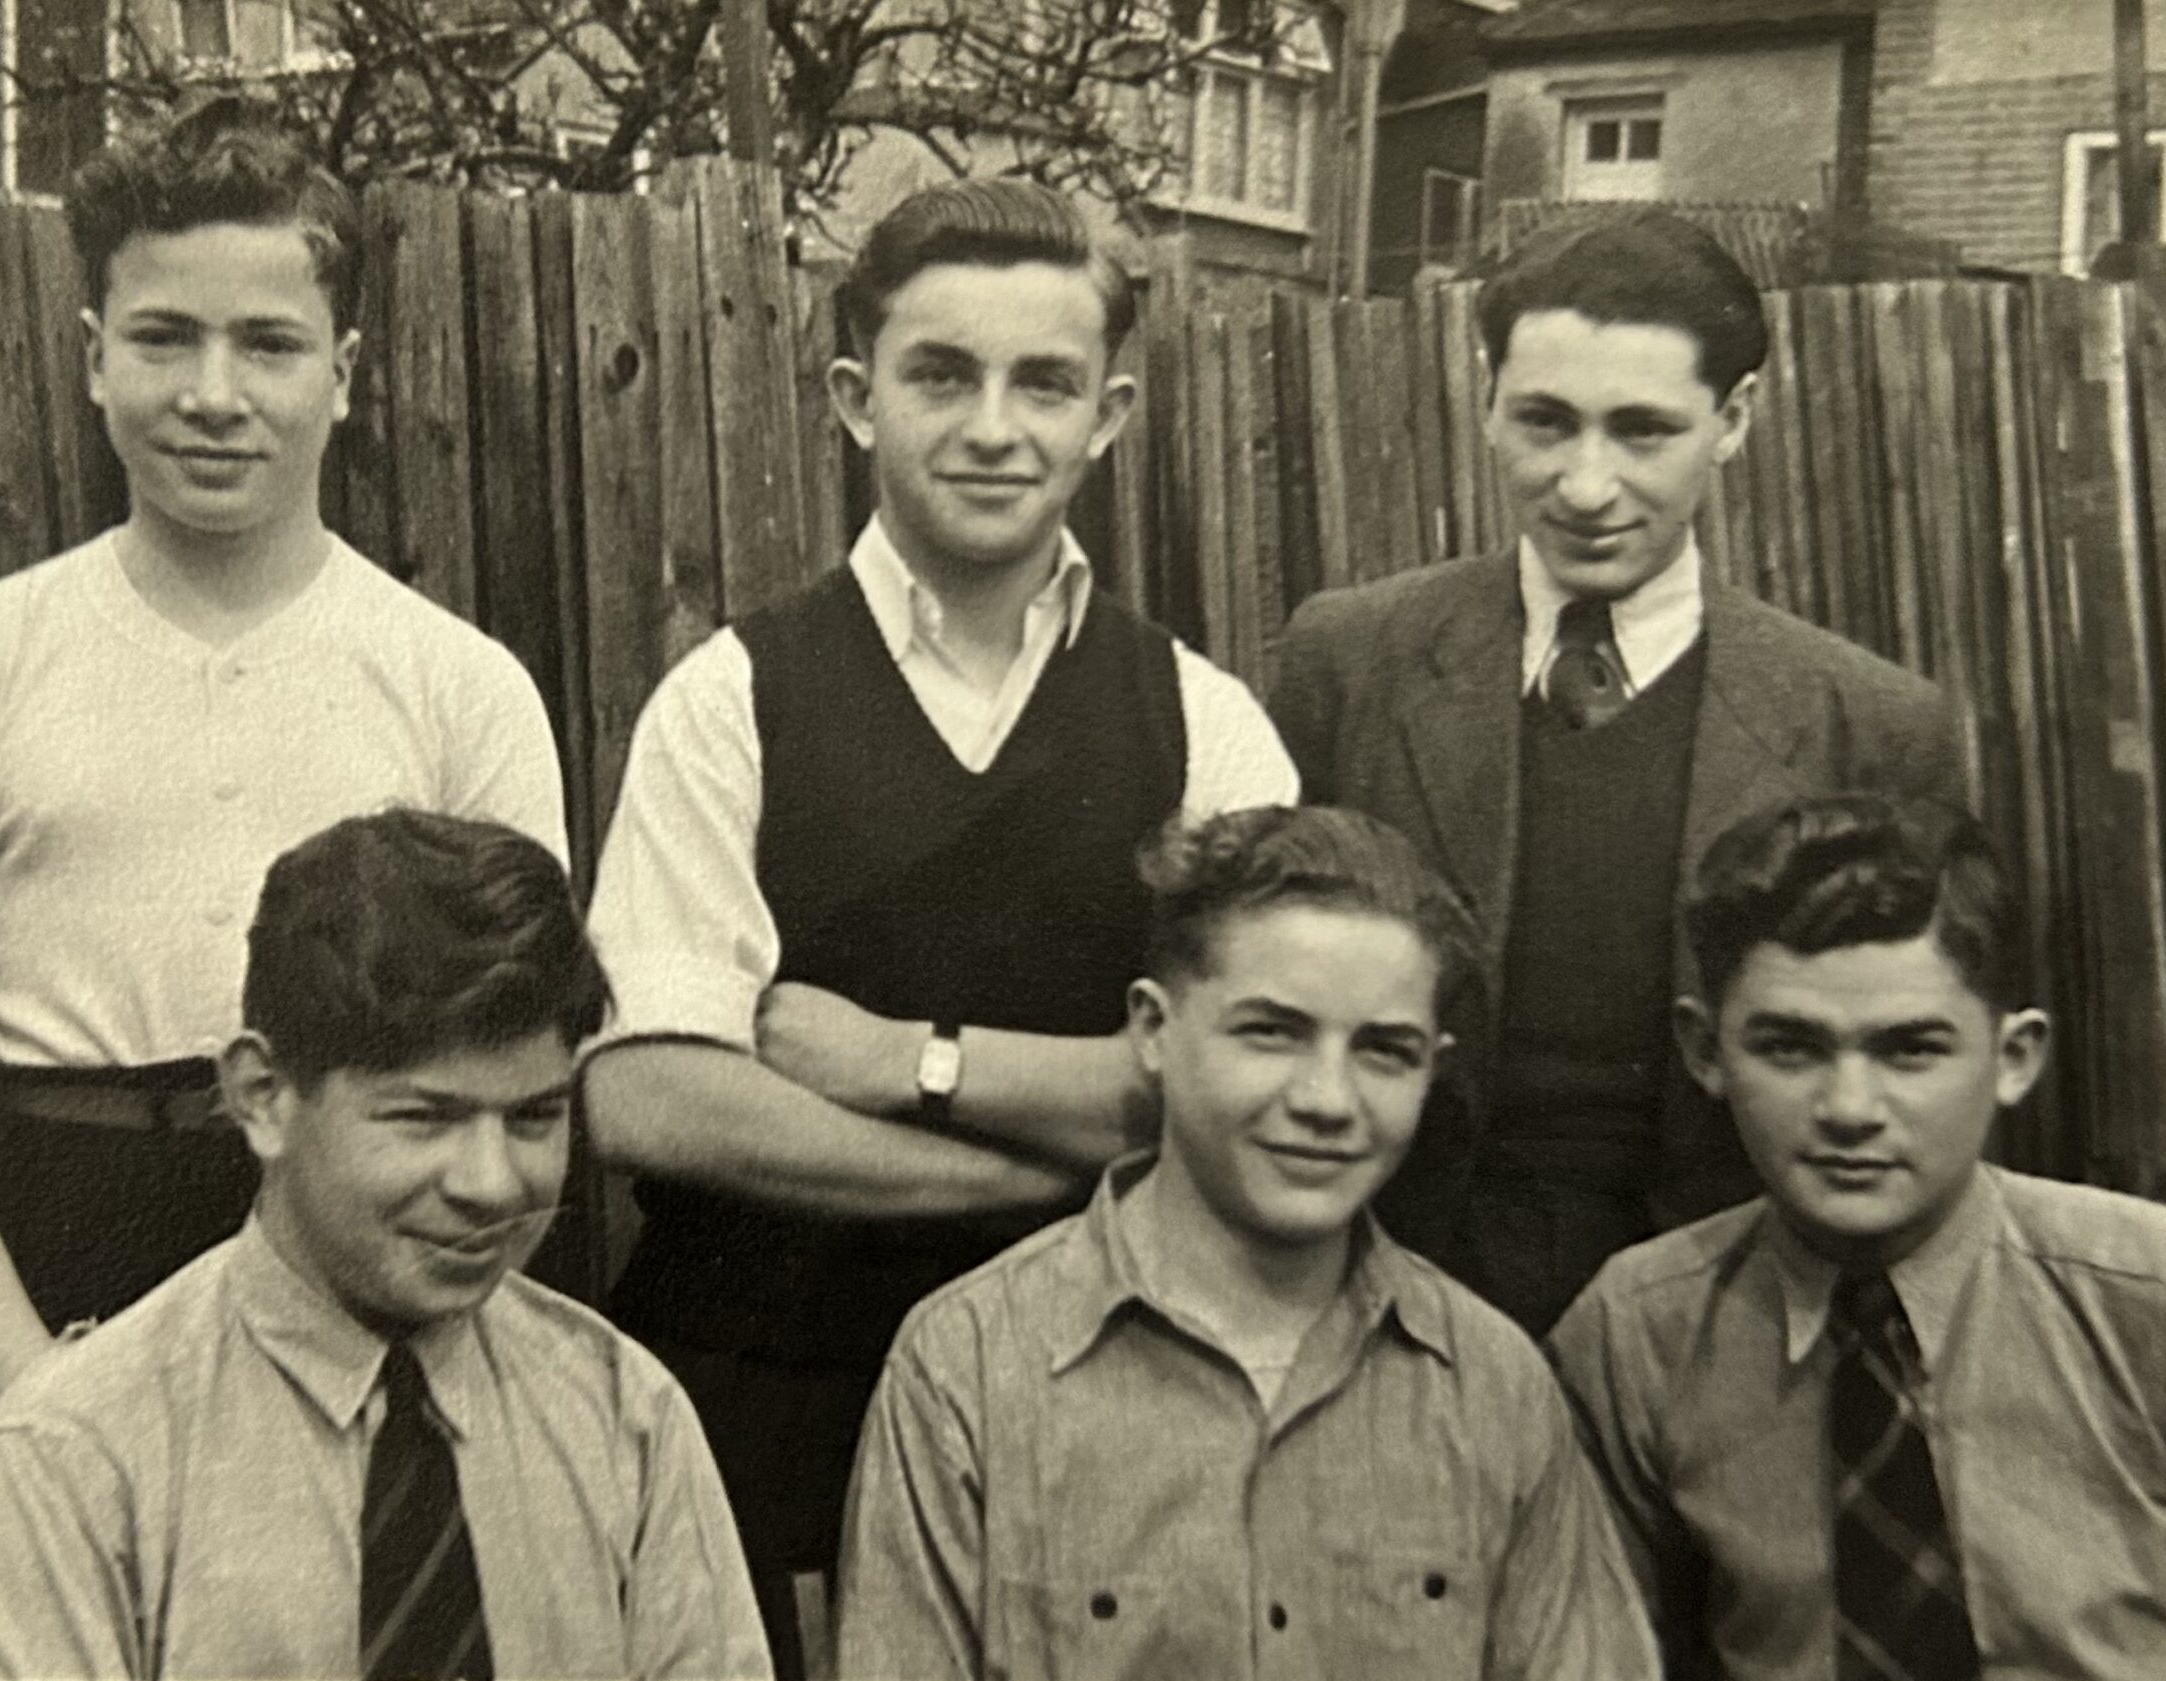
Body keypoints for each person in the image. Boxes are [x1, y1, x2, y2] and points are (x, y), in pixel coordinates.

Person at [579, 176, 1298, 1670]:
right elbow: (651, 1095)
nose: (992, 426)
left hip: (1099, 1397)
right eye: (941, 375)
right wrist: (1042, 1178)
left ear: (1106, 415)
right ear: (857, 398)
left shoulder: (1202, 720)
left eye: (1043, 383)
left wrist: (906, 1060)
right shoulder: (731, 699)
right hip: (753, 1394)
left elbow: (1259, 1085)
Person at [0, 100, 568, 1415]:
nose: (212, 396)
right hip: (53, 1255)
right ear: (95, 357)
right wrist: (37, 1400)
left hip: (366, 1250)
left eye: (268, 344)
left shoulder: (460, 685)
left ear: (341, 372)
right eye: (164, 337)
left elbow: (511, 1094)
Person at [1271, 210, 1965, 1336]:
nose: (1586, 487)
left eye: (1643, 432)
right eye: (1545, 422)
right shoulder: (1350, 659)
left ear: (1733, 420)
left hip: (1731, 1315)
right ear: (1487, 401)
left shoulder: (1869, 724)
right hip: (1381, 1290)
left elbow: (1910, 1078)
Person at [0, 810, 767, 1681]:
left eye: (534, 1117)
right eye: (424, 1117)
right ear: (263, 1095)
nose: (492, 1182)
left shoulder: (627, 1419)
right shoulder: (70, 1464)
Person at [834, 805, 1657, 1680]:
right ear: (1153, 1030)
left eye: (1385, 1050)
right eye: (1272, 1031)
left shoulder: (1496, 1385)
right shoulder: (966, 1366)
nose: (1328, 1099)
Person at [1549, 792, 2166, 1680]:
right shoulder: (1634, 1334)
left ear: (2013, 1057)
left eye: (1911, 1049)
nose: (1849, 1108)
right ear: (1705, 1051)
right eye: (1789, 1047)